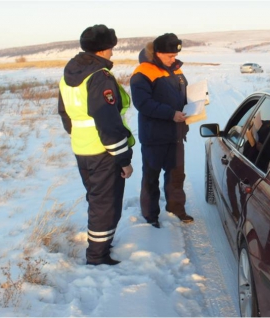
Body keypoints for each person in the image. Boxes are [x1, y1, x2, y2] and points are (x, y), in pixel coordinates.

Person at [58, 24, 135, 266]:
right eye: (111, 48)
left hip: (82, 148)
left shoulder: (68, 75)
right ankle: (97, 256)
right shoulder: (99, 77)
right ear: (103, 50)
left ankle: (100, 246)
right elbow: (108, 121)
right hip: (103, 151)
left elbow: (65, 114)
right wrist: (123, 158)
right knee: (105, 204)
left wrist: (79, 136)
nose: (113, 53)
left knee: (97, 199)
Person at [130, 33, 194, 228]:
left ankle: (176, 208)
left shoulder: (176, 70)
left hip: (175, 133)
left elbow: (182, 94)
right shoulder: (142, 72)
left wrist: (194, 104)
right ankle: (150, 216)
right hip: (154, 135)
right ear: (157, 53)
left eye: (175, 55)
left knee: (176, 175)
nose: (173, 59)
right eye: (169, 56)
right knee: (151, 176)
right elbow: (143, 104)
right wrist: (170, 114)